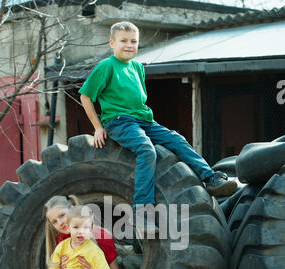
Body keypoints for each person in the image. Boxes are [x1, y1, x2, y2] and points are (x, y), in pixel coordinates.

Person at [78, 21, 237, 231]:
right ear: (112, 43)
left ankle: (210, 178)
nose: (129, 45)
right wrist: (98, 127)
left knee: (176, 140)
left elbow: (137, 100)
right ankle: (141, 212)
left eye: (133, 41)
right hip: (119, 121)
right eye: (123, 41)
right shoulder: (106, 66)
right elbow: (85, 96)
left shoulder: (137, 67)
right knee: (146, 150)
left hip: (144, 120)